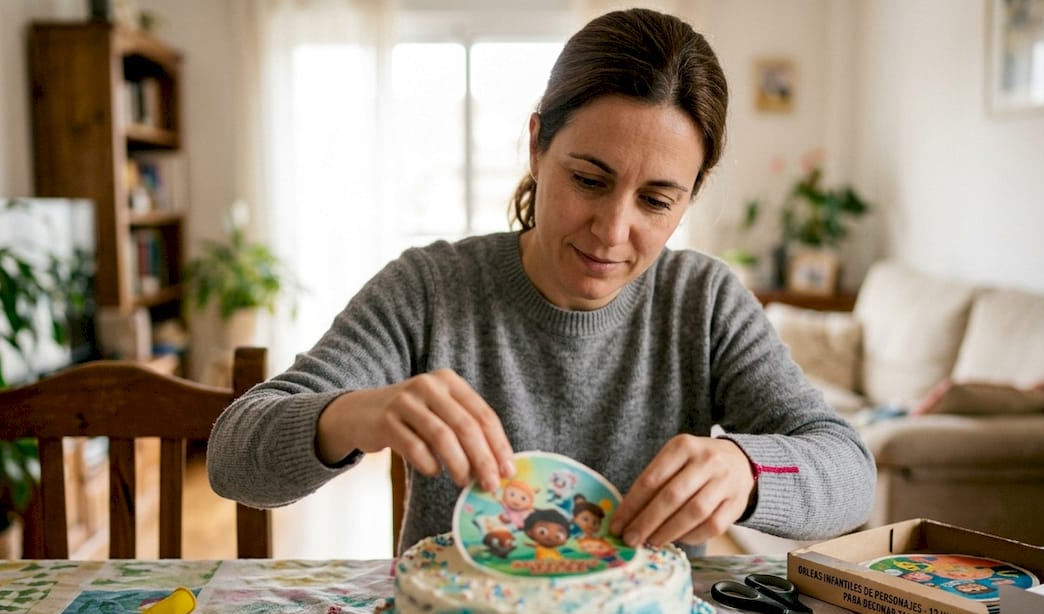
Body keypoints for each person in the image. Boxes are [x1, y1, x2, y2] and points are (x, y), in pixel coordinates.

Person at [208, 7, 876, 556]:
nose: (613, 231)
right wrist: (355, 412)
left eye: (656, 200)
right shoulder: (429, 289)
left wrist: (748, 470)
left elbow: (849, 471)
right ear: (536, 147)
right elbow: (234, 456)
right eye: (589, 180)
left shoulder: (704, 303)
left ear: (692, 195)